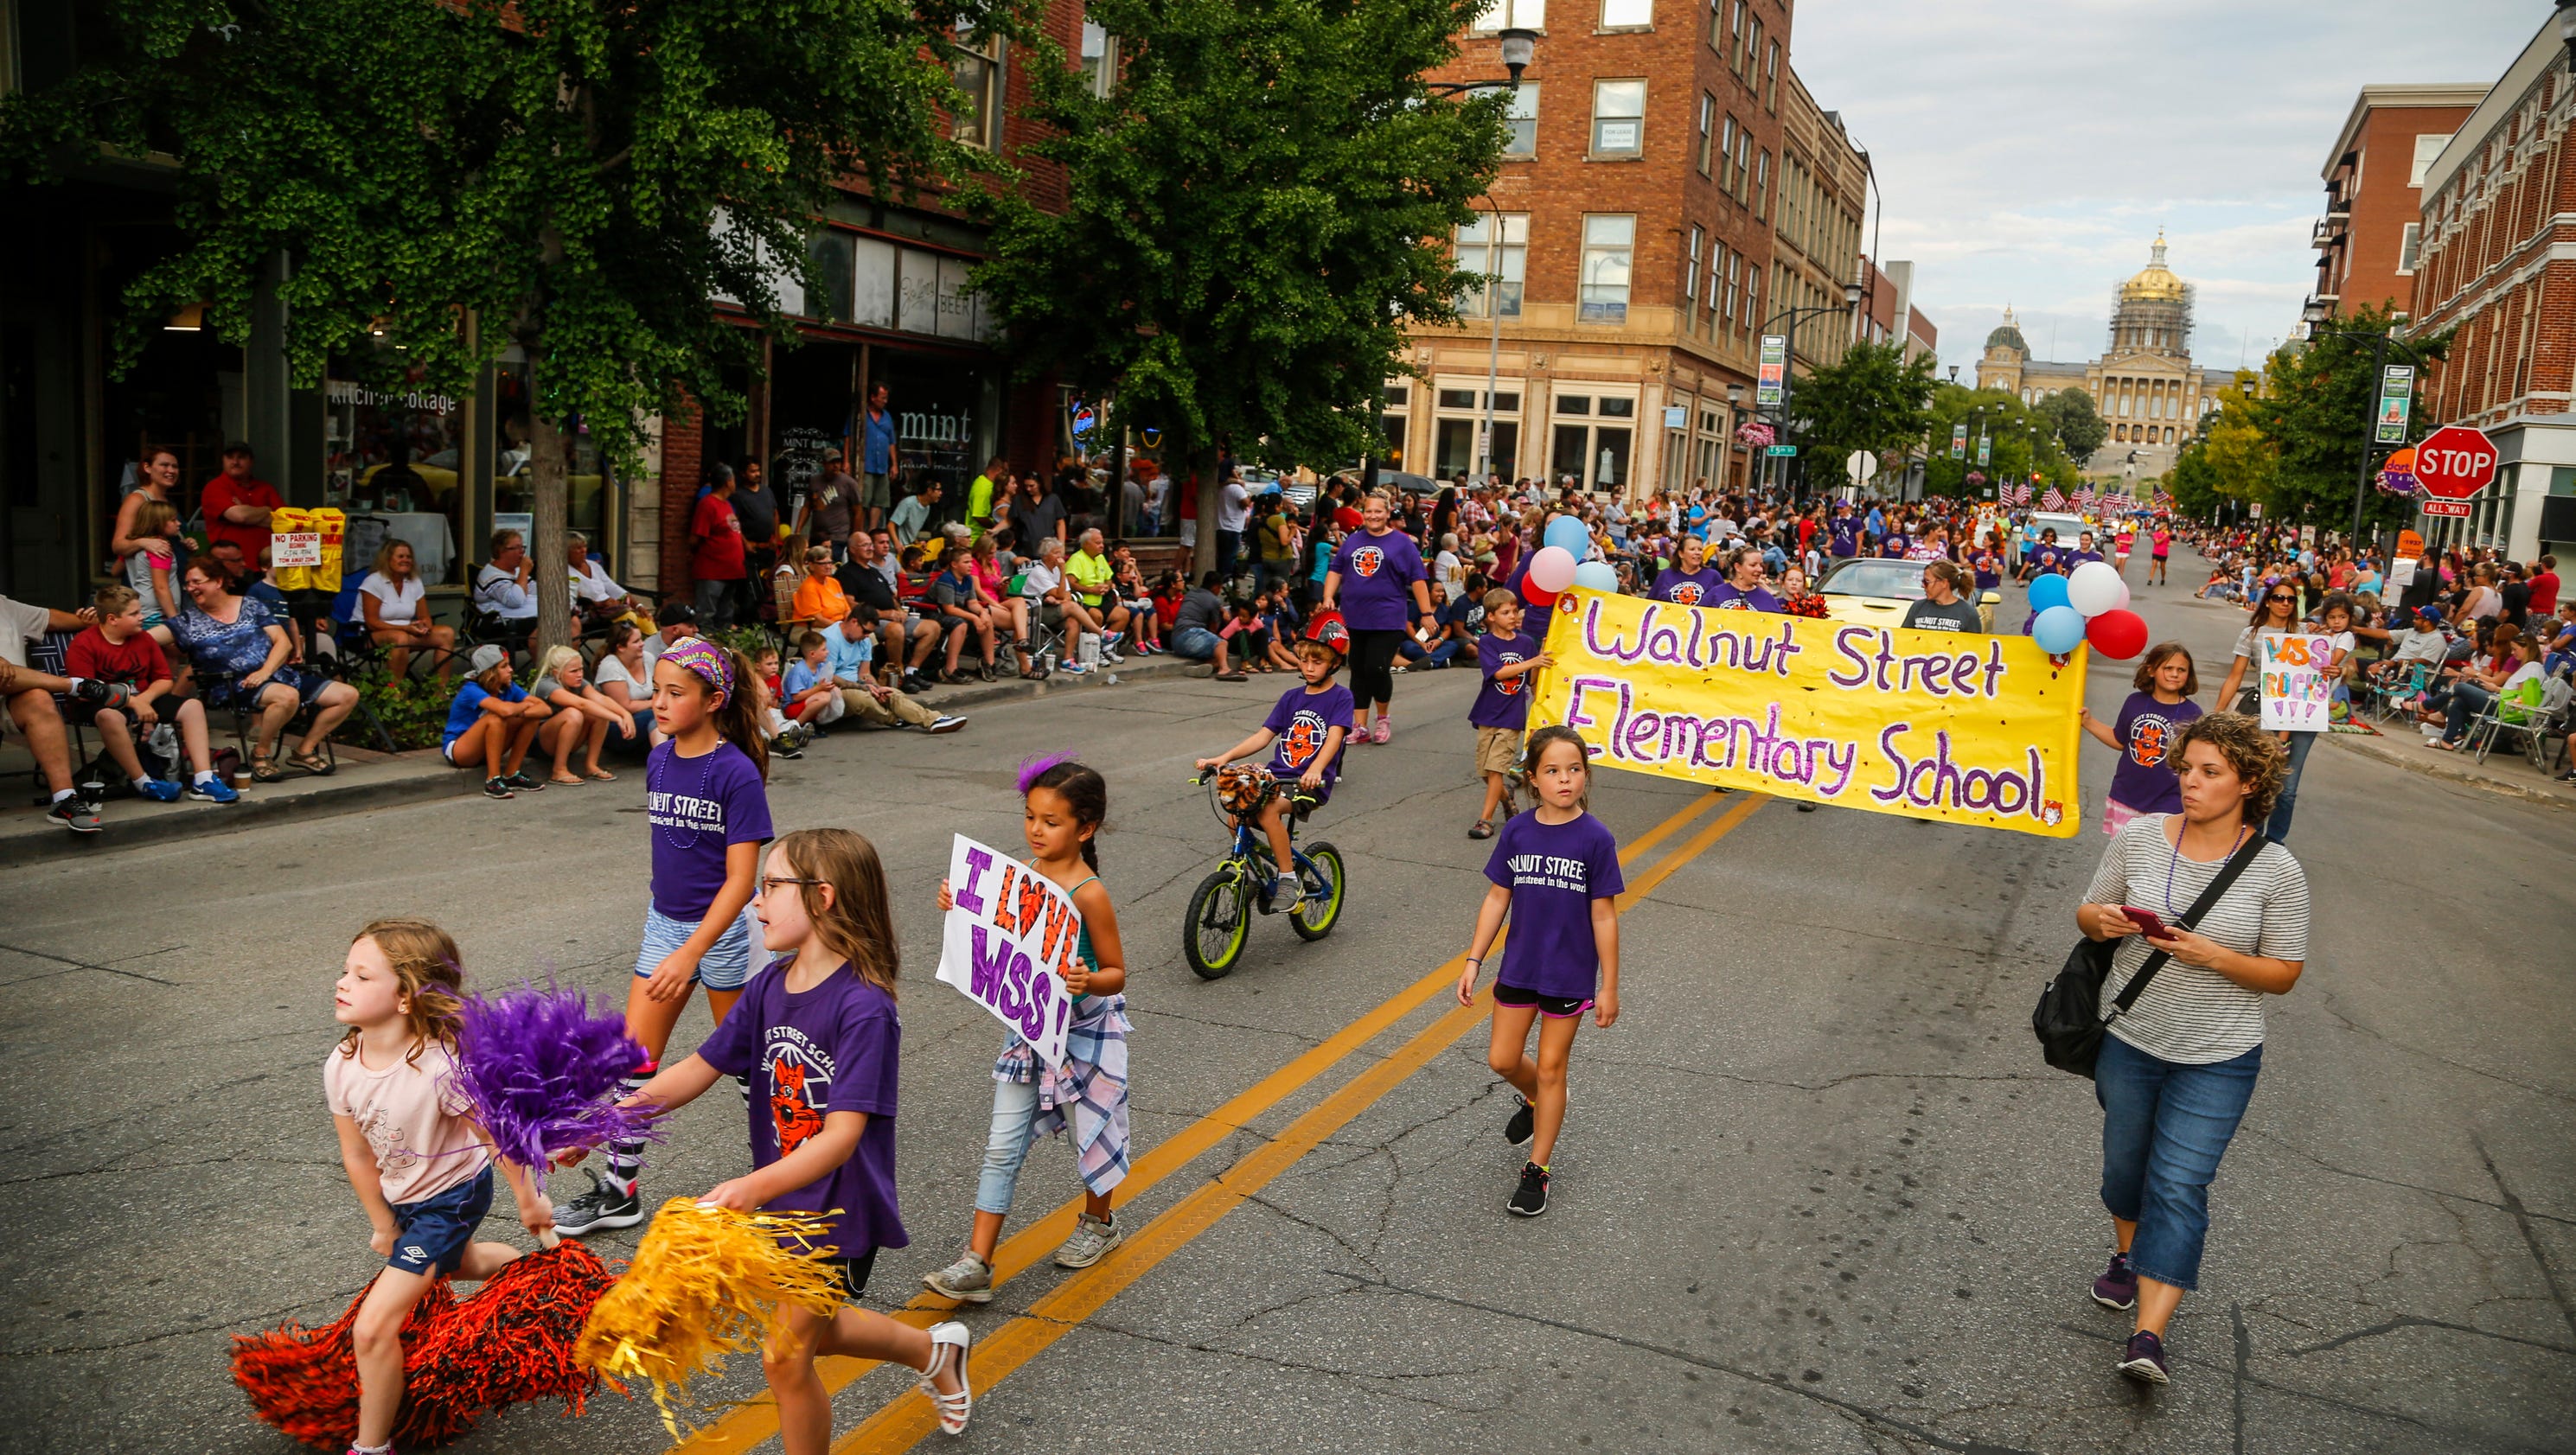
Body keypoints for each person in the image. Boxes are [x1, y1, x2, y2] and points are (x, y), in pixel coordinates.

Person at [613, 830, 975, 1447]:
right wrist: (604, 1122)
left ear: (822, 896)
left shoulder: (864, 1007)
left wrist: (751, 1186)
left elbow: (839, 1137)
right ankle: (934, 1352)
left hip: (837, 1207)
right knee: (816, 1333)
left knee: (784, 1357)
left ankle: (932, 1355)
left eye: (771, 886)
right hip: (783, 1203)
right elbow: (697, 1068)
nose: (755, 901)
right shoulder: (767, 986)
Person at [2075, 714, 2308, 1386]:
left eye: (2210, 772)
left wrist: (2214, 955)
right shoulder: (2141, 837)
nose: (2190, 782)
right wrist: (2106, 920)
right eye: (2186, 768)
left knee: (2178, 1184)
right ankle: (2126, 1256)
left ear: (2249, 782)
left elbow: (2285, 973)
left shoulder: (2277, 870)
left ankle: (2148, 1334)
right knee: (2125, 1171)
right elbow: (2088, 913)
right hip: (2130, 1038)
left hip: (2220, 1055)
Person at [553, 638, 772, 1237]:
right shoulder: (658, 758)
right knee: (634, 1063)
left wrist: (694, 950)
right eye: (658, 690)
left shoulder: (736, 772)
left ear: (714, 699)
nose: (661, 701)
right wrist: (673, 940)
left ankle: (781, 1177)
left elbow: (741, 880)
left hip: (722, 933)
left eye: (676, 693)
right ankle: (621, 1192)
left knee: (745, 1065)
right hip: (664, 924)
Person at [328, 918, 552, 1455]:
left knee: (374, 1329)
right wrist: (383, 1223)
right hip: (403, 1198)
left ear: (406, 996)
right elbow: (356, 1152)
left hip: (452, 1197)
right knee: (460, 1265)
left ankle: (372, 1447)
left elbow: (498, 1138)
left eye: (361, 976)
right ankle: (524, 1272)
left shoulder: (441, 1069)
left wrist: (529, 1199)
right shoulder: (341, 1064)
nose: (341, 983)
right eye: (344, 971)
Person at [922, 756, 1133, 1301]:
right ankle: (977, 1263)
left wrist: (1089, 980)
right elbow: (992, 930)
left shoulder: (1089, 893)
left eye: (1052, 821)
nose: (1036, 829)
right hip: (1031, 1035)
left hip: (1084, 1035)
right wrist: (957, 903)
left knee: (1093, 1135)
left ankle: (1099, 1225)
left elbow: (1116, 971)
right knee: (1000, 1146)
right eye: (1031, 816)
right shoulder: (1026, 875)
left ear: (1084, 829)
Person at [1454, 724, 1624, 1219]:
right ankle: (1536, 1101)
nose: (1565, 779)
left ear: (1585, 776)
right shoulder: (1519, 830)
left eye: (1574, 770)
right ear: (1532, 778)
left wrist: (1609, 987)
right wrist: (1473, 960)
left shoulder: (1596, 837)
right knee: (1503, 1060)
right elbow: (1497, 897)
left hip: (1569, 974)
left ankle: (1537, 1168)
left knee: (1552, 1068)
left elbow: (1604, 915)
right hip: (1520, 966)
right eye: (1553, 770)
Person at [1193, 617, 1354, 912]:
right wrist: (1225, 758)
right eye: (1304, 659)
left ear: (1334, 663)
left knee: (1267, 810)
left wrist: (1316, 769)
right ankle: (1262, 874)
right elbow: (1263, 736)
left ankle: (1289, 879)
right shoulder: (1291, 697)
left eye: (1317, 661)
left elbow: (1334, 738)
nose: (1308, 667)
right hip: (1277, 775)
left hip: (1309, 784)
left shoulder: (1340, 697)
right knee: (1235, 813)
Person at [171, 560, 359, 782]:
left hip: (278, 676)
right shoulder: (188, 621)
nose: (191, 588)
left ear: (217, 582)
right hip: (235, 684)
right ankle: (261, 753)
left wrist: (266, 671)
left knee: (347, 695)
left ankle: (304, 750)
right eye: (187, 584)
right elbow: (150, 637)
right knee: (287, 697)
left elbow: (283, 642)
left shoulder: (251, 605)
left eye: (196, 581)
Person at [66, 585, 229, 805]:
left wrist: (143, 700)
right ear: (113, 619)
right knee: (110, 716)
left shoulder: (143, 639)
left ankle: (203, 780)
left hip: (143, 697)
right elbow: (86, 691)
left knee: (192, 706)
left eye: (140, 611)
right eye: (134, 614)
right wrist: (132, 702)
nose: (142, 617)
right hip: (98, 703)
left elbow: (164, 679)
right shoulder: (84, 643)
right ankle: (143, 781)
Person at [1320, 489, 1436, 744]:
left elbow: (1418, 579)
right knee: (1358, 670)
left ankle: (1382, 718)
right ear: (1363, 514)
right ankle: (1359, 726)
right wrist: (1328, 597)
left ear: (1387, 513)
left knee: (1377, 667)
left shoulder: (1402, 543)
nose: (1373, 516)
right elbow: (1335, 570)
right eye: (1369, 511)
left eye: (1378, 511)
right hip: (1355, 616)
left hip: (1388, 616)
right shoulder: (1352, 541)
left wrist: (1426, 613)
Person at [2214, 582, 2324, 844]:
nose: (2285, 603)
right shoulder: (2252, 634)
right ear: (2267, 601)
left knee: (2288, 788)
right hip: (2266, 710)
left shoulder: (2308, 631)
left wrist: (2336, 666)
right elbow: (2235, 676)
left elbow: (2339, 650)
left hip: (2303, 713)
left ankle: (2274, 842)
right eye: (2279, 598)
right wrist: (2217, 713)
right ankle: (2250, 836)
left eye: (2290, 599)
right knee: (2259, 778)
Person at [2, 595, 118, 832]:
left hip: (9, 701)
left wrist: (91, 620)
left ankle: (64, 799)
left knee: (40, 699)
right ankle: (74, 685)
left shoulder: (5, 606)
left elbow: (54, 619)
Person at [2081, 642, 2203, 835]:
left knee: (2156, 857)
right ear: (2151, 670)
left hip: (2169, 800)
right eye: (2168, 668)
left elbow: (2197, 759)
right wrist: (2088, 722)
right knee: (2125, 854)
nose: (2175, 674)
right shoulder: (2135, 702)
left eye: (2182, 670)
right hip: (2128, 795)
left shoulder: (2193, 713)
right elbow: (2120, 740)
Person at [1467, 588, 1549, 840]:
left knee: (1496, 770)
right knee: (1484, 771)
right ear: (1491, 617)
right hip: (1487, 713)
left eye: (1514, 611)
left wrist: (1541, 655)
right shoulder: (1488, 644)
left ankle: (1485, 820)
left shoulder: (1525, 642)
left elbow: (1531, 680)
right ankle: (1507, 799)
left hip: (1511, 717)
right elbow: (1499, 673)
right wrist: (1532, 662)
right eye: (1506, 612)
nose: (1513, 616)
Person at [823, 609, 967, 733]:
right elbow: (830, 678)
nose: (867, 636)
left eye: (870, 632)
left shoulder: (864, 640)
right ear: (854, 622)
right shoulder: (831, 639)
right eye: (865, 631)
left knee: (893, 693)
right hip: (834, 690)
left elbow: (864, 674)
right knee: (863, 700)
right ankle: (897, 719)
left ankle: (933, 719)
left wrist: (877, 688)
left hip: (857, 685)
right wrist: (864, 688)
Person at [442, 643, 551, 797]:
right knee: (495, 718)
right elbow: (504, 710)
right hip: (460, 750)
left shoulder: (508, 686)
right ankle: (492, 781)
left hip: (487, 748)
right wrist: (525, 705)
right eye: (504, 666)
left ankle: (512, 775)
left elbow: (545, 709)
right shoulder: (471, 689)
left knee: (531, 718)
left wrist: (520, 713)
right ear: (490, 672)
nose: (511, 670)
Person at [527, 644, 638, 783]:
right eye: (574, 671)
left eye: (581, 669)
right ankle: (558, 770)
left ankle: (591, 765)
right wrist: (617, 719)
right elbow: (582, 704)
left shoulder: (579, 683)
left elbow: (601, 699)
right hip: (540, 743)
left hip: (568, 740)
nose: (580, 674)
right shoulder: (546, 685)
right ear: (557, 673)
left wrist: (625, 714)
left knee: (598, 713)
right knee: (574, 713)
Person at [360, 539, 458, 681]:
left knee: (446, 633)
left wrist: (425, 627)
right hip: (372, 635)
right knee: (400, 638)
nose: (406, 560)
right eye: (401, 557)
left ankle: (441, 690)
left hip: (408, 632)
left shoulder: (414, 581)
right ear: (387, 559)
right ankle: (395, 692)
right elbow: (372, 623)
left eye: (409, 557)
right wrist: (406, 628)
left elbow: (425, 616)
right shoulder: (374, 581)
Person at [202, 442, 284, 566]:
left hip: (268, 566)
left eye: (241, 457)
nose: (235, 462)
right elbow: (240, 516)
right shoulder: (215, 487)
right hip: (229, 567)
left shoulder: (266, 488)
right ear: (223, 461)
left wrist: (248, 512)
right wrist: (267, 509)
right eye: (230, 457)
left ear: (251, 462)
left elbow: (285, 523)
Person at [691, 466, 749, 630]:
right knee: (706, 614)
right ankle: (705, 649)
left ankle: (724, 649)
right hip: (712, 571)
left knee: (726, 615)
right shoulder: (708, 504)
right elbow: (695, 538)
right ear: (728, 482)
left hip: (731, 571)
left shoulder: (727, 505)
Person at [568, 531, 655, 634]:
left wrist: (638, 606)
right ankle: (624, 648)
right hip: (591, 615)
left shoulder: (594, 566)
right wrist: (600, 603)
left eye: (585, 547)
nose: (584, 551)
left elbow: (614, 588)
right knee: (629, 617)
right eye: (578, 548)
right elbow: (575, 597)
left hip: (613, 610)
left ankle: (659, 649)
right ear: (567, 551)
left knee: (646, 620)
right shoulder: (565, 571)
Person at [1167, 571, 1245, 681]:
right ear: (1216, 587)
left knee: (1219, 655)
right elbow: (1213, 628)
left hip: (1175, 639)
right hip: (1190, 635)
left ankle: (1206, 667)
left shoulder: (1191, 594)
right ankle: (1224, 670)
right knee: (1222, 644)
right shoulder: (1214, 600)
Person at [592, 621, 659, 748]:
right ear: (620, 647)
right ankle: (662, 761)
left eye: (641, 639)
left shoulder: (648, 658)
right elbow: (626, 706)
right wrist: (655, 704)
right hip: (617, 724)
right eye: (636, 642)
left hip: (645, 718)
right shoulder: (610, 666)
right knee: (655, 716)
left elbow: (659, 689)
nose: (642, 644)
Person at [473, 527, 542, 639]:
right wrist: (524, 571)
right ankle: (544, 656)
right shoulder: (491, 575)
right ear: (501, 551)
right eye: (516, 548)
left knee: (568, 621)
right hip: (501, 625)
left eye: (522, 547)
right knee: (546, 627)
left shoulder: (517, 571)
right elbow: (515, 600)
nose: (522, 552)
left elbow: (538, 592)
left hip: (529, 620)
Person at [799, 448, 861, 560]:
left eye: (838, 462)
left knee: (830, 566)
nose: (836, 465)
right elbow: (807, 507)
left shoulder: (849, 483)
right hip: (816, 536)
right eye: (832, 462)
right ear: (824, 464)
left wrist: (854, 538)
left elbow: (858, 511)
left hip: (838, 537)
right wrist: (798, 531)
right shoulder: (814, 481)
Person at [1902, 560, 1984, 633]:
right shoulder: (1918, 607)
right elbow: (1904, 638)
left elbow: (1973, 647)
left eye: (1927, 581)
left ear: (1944, 583)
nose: (1923, 586)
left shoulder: (1968, 613)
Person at [1703, 545, 1783, 612]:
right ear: (1737, 567)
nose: (1759, 569)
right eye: (1753, 565)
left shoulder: (1767, 598)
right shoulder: (1716, 593)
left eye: (1761, 565)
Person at [1649, 534, 1723, 605]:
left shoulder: (1713, 576)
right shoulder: (1665, 575)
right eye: (1692, 549)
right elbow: (1649, 603)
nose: (1697, 553)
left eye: (1700, 549)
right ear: (1681, 553)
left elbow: (1723, 604)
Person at [890, 478, 943, 549]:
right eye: (938, 490)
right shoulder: (908, 503)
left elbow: (911, 531)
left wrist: (917, 542)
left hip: (908, 548)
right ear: (929, 490)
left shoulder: (927, 508)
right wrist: (897, 544)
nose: (941, 493)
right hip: (896, 548)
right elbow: (891, 525)